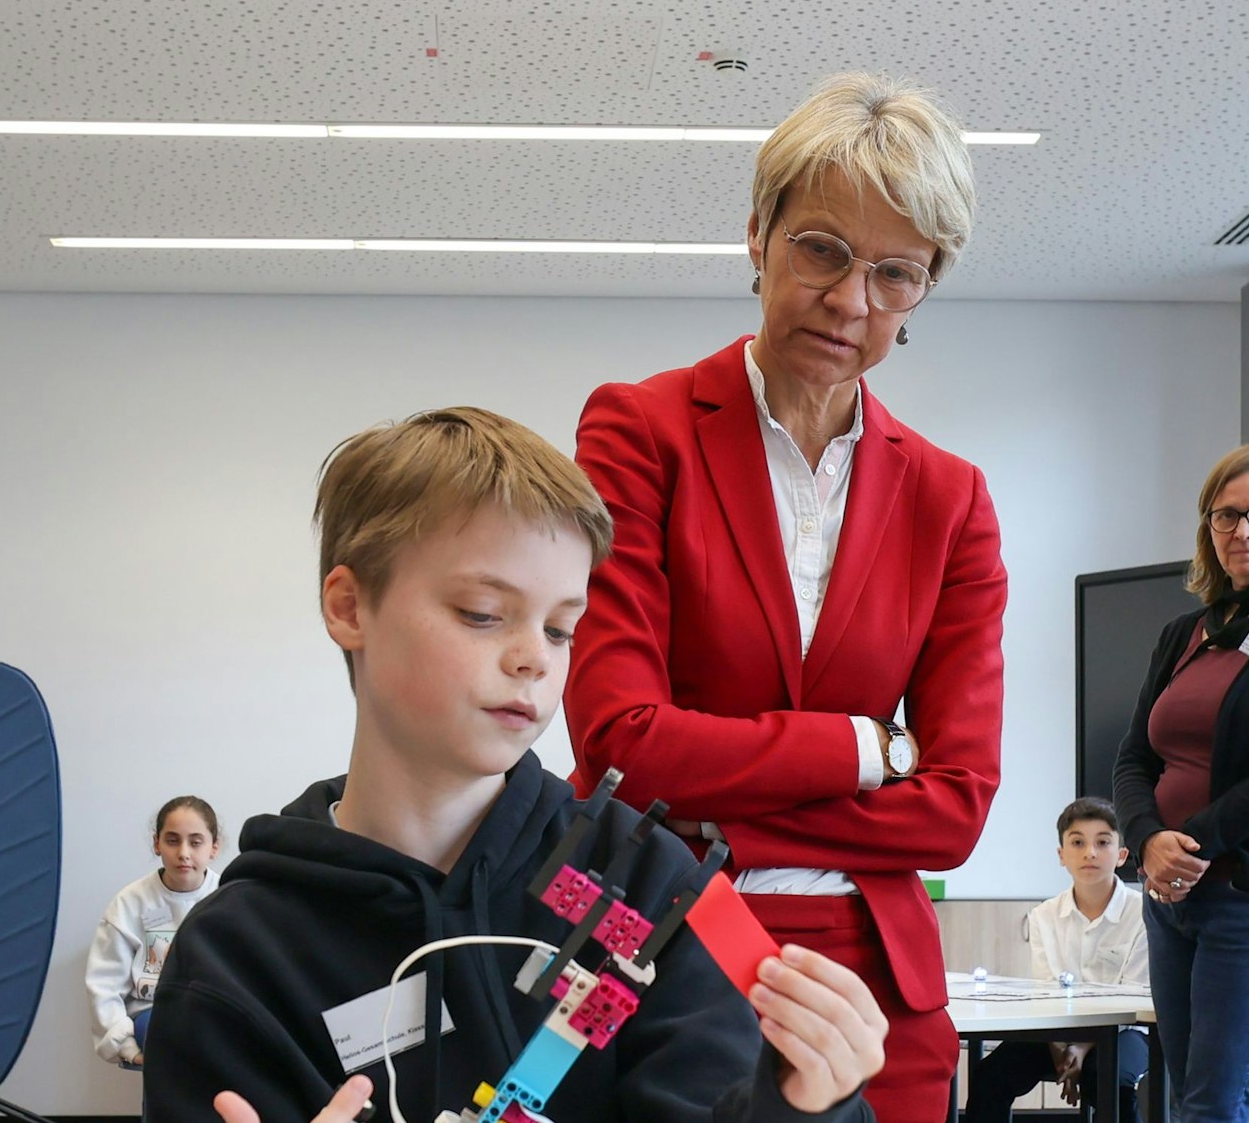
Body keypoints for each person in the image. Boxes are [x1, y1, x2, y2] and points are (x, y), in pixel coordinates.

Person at [146, 407, 887, 1123]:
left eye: (562, 628)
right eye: (481, 613)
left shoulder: (647, 884)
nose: (535, 657)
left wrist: (803, 1106)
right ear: (349, 607)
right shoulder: (238, 957)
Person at [564, 72, 1006, 1123]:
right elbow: (620, 744)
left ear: (925, 288)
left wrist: (713, 810)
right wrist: (865, 749)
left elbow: (955, 811)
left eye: (896, 274)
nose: (851, 300)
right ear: (758, 236)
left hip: (879, 992)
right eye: (822, 249)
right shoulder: (639, 431)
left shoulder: (953, 499)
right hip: (658, 937)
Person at [1114, 443, 1249, 1123]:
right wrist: (1145, 840)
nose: (1241, 532)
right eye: (1226, 516)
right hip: (1166, 897)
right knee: (1174, 1091)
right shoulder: (1182, 634)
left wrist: (1183, 845)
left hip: (1236, 898)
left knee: (1213, 1100)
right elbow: (1134, 757)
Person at [962, 797, 1148, 1122]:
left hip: (1126, 1031)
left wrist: (1082, 1047)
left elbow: (1132, 995)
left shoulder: (1144, 913)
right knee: (990, 1076)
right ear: (1062, 855)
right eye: (1077, 842)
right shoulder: (1044, 915)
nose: (1090, 852)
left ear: (1122, 855)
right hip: (1058, 1031)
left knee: (1107, 1080)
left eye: (1102, 842)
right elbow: (1048, 989)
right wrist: (1061, 1048)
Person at [87, 795, 225, 1066]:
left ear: (214, 847)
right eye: (173, 840)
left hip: (214, 1014)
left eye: (195, 842)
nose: (184, 852)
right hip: (153, 1015)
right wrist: (122, 1042)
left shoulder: (229, 896)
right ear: (157, 844)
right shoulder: (130, 903)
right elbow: (104, 983)